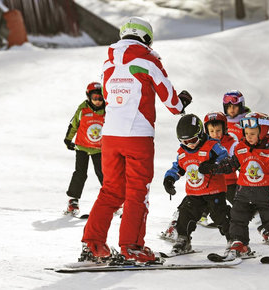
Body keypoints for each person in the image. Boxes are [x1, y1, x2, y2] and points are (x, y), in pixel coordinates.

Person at [80, 16, 192, 264]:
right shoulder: (148, 59)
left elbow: (109, 93)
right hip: (137, 135)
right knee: (136, 193)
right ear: (147, 38)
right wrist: (182, 101)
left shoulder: (108, 61)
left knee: (110, 190)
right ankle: (133, 246)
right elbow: (171, 101)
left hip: (110, 135)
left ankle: (93, 243)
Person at [199, 112, 269, 257]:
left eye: (252, 133)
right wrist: (213, 168)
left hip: (265, 193)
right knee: (237, 217)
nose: (248, 137)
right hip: (243, 192)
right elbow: (230, 165)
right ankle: (239, 243)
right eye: (246, 133)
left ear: (262, 132)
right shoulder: (241, 147)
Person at [163, 114, 231, 254]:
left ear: (200, 133)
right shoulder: (182, 153)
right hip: (194, 193)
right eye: (184, 141)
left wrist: (213, 165)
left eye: (193, 140)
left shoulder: (213, 146)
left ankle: (235, 240)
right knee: (185, 214)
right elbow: (177, 168)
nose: (190, 144)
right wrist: (169, 179)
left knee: (221, 216)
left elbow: (226, 160)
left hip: (214, 191)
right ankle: (183, 239)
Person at [64, 82, 105, 216]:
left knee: (104, 174)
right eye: (95, 98)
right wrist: (68, 139)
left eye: (100, 98)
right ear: (88, 97)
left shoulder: (107, 111)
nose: (98, 101)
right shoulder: (82, 110)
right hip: (82, 147)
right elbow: (74, 125)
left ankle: (113, 201)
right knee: (80, 174)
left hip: (99, 149)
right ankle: (73, 201)